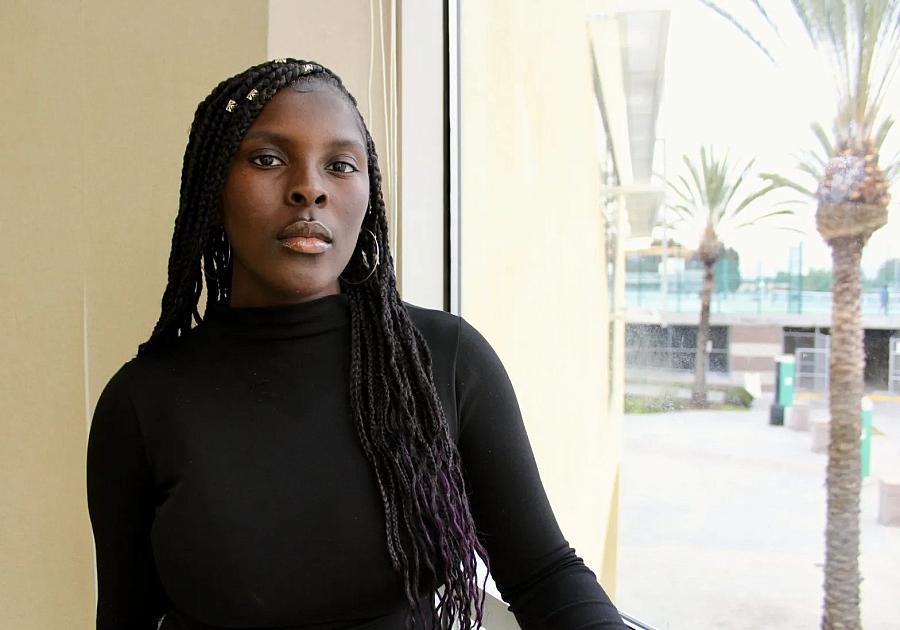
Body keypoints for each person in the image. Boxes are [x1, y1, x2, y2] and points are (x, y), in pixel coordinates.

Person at [86, 59, 627, 630]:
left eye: (340, 165)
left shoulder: (442, 361)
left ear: (367, 194)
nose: (309, 189)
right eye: (268, 159)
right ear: (214, 190)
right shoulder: (143, 404)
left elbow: (544, 575)